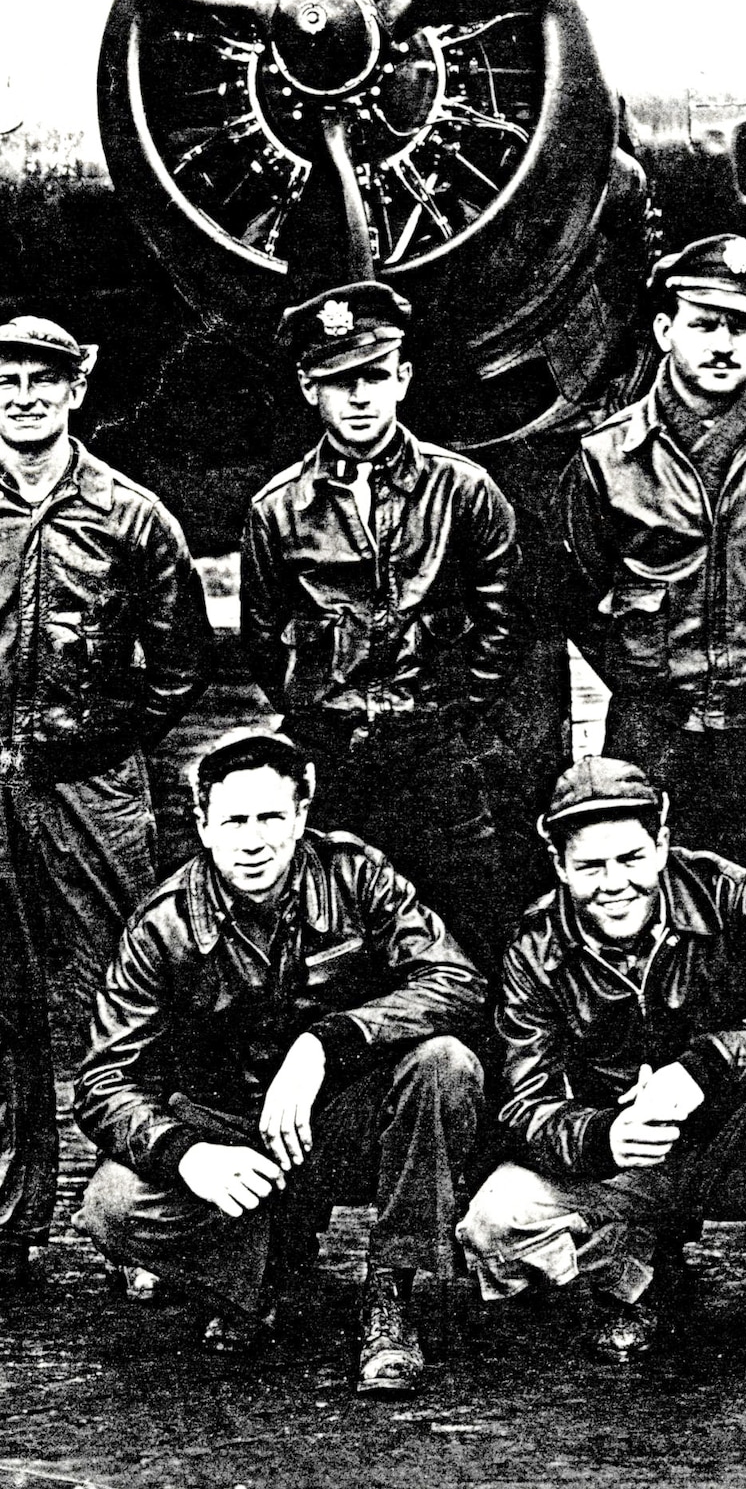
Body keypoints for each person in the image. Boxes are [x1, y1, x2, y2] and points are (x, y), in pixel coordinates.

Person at [0, 315, 212, 1302]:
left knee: (130, 1000)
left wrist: (107, 737)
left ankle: (147, 1228)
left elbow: (182, 654)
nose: (26, 395)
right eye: (7, 380)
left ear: (77, 390)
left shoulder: (129, 515)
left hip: (97, 789)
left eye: (45, 379)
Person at [73, 730, 485, 1393]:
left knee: (445, 1063)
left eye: (270, 816)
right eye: (234, 820)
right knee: (112, 1207)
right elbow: (103, 1080)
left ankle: (390, 1295)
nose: (254, 839)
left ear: (301, 813)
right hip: (228, 1136)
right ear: (204, 827)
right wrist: (185, 1152)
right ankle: (256, 1280)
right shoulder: (163, 923)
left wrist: (329, 1040)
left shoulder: (358, 874)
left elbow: (455, 980)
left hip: (338, 1123)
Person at [457, 757, 746, 1401]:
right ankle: (638, 1278)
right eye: (590, 867)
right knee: (494, 1225)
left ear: (662, 846)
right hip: (635, 1162)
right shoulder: (534, 948)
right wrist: (603, 1137)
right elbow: (520, 1103)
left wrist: (706, 1064)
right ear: (560, 866)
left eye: (630, 858)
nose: (614, 883)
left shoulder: (732, 893)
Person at [556, 235, 746, 962]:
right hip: (656, 737)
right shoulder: (606, 458)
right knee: (653, 921)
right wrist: (644, 677)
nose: (724, 344)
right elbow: (575, 596)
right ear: (665, 330)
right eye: (703, 323)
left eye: (741, 326)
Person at [240, 280, 526, 978]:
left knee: (468, 929)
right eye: (339, 381)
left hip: (435, 754)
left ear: (402, 377)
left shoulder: (463, 490)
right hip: (334, 761)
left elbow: (505, 617)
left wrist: (456, 713)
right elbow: (262, 635)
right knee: (339, 941)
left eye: (373, 376)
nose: (359, 397)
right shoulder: (276, 510)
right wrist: (317, 708)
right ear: (310, 389)